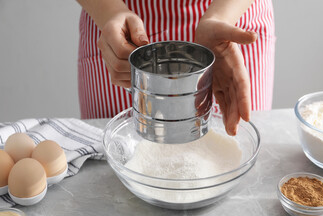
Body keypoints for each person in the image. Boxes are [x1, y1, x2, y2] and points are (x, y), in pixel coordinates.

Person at [76, 0, 275, 136]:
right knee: (113, 167)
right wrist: (110, 11)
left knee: (233, 148)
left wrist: (223, 16)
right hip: (119, 29)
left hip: (232, 17)